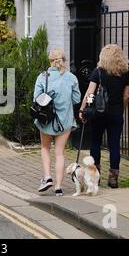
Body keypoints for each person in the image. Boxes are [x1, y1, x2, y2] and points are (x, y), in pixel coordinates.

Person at [79, 44, 129, 188]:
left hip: (98, 114)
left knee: (95, 143)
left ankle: (95, 177)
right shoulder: (125, 73)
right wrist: (121, 109)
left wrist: (83, 109)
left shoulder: (98, 72)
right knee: (114, 145)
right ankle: (113, 179)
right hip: (116, 114)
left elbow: (90, 93)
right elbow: (126, 96)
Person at [34, 49, 81, 196]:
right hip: (64, 121)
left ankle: (48, 177)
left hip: (46, 120)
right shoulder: (71, 78)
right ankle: (58, 187)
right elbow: (77, 99)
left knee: (45, 148)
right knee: (60, 153)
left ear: (50, 61)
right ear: (64, 61)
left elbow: (36, 99)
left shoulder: (42, 77)